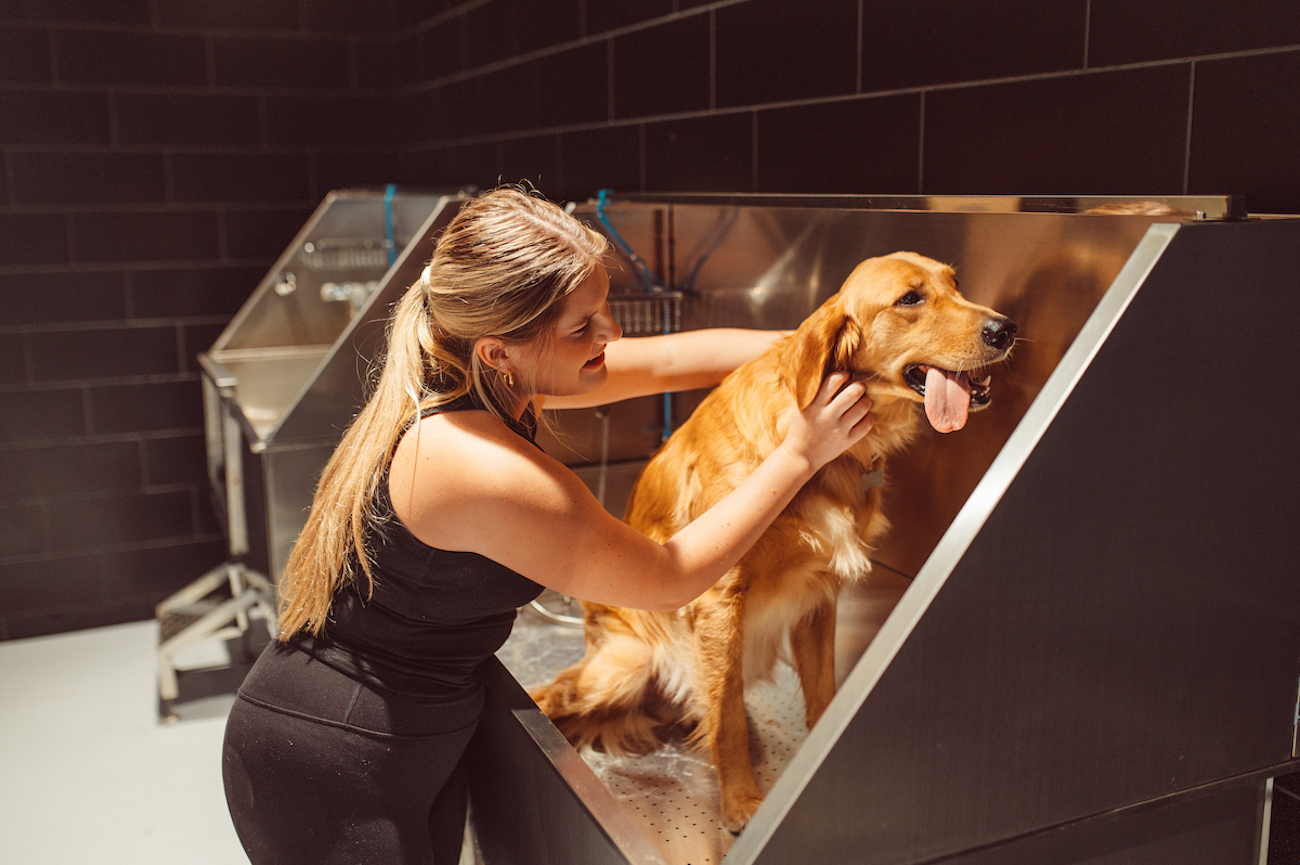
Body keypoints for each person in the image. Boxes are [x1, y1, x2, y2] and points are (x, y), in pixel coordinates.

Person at [221, 187, 874, 864]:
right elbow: (670, 576)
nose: (610, 336)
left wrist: (830, 342)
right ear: (499, 350)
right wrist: (800, 453)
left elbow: (678, 360)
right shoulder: (481, 466)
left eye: (603, 308)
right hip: (334, 759)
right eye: (583, 326)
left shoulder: (480, 372)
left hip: (399, 739)